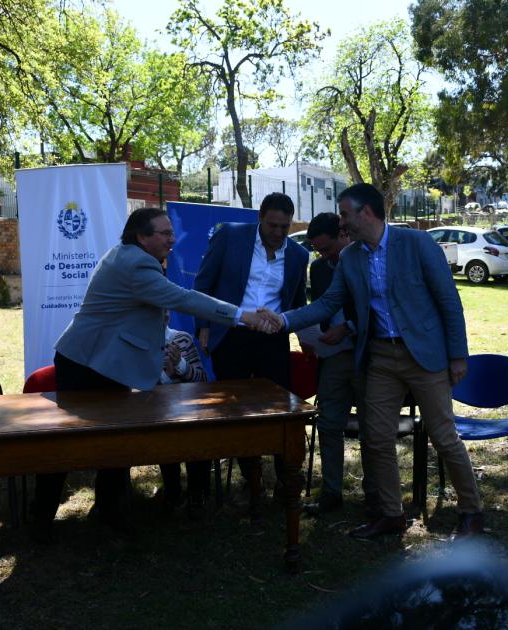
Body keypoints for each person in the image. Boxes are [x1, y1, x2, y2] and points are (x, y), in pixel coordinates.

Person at [31, 206, 278, 541]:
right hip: (86, 364)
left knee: (115, 443)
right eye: (164, 233)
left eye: (171, 233)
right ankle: (42, 521)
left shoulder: (130, 255)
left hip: (107, 363)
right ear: (141, 236)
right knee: (67, 445)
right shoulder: (136, 264)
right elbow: (184, 298)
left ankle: (109, 510)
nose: (172, 239)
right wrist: (243, 316)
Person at [273, 183, 484, 541]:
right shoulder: (352, 257)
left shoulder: (417, 245)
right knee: (377, 438)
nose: (342, 224)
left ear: (365, 213)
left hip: (425, 355)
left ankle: (471, 511)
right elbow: (327, 304)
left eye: (345, 215)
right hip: (382, 357)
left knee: (444, 436)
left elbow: (449, 301)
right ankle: (391, 514)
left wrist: (457, 355)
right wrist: (282, 320)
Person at [193, 192, 308, 499]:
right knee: (236, 409)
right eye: (273, 225)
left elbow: (298, 304)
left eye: (285, 227)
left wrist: (287, 324)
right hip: (231, 337)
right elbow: (203, 285)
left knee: (280, 410)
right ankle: (251, 477)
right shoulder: (230, 236)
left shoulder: (298, 255)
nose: (278, 233)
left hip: (272, 341)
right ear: (260, 217)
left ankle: (286, 478)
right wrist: (203, 326)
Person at [300, 213, 367, 517]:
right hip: (335, 356)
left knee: (372, 428)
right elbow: (321, 307)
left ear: (344, 236)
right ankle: (331, 492)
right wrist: (309, 335)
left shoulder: (367, 260)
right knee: (328, 423)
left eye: (327, 249)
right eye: (318, 251)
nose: (324, 257)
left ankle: (377, 494)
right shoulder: (319, 268)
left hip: (368, 355)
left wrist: (349, 327)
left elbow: (379, 308)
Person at [157, 311, 209, 517]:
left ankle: (197, 493)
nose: (166, 316)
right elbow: (139, 388)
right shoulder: (139, 343)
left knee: (198, 431)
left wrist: (180, 365)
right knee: (166, 435)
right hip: (157, 412)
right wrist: (168, 376)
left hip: (189, 409)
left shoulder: (183, 339)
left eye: (166, 313)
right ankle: (173, 490)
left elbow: (201, 379)